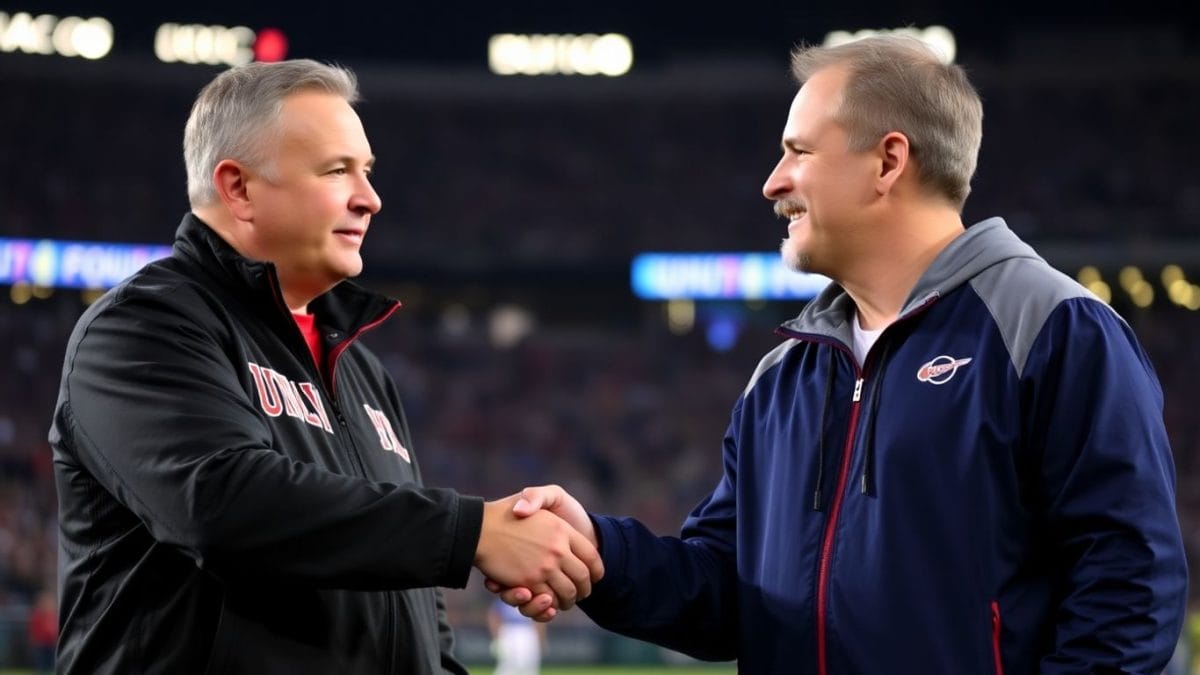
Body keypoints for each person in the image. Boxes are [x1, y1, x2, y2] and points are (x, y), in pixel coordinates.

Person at [492, 35, 1188, 673]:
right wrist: (602, 555)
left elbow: (1128, 593)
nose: (773, 181)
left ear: (888, 160)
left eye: (798, 151)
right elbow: (730, 592)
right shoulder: (784, 373)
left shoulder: (1055, 329)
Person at [48, 59, 601, 674]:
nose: (370, 198)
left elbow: (415, 613)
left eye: (365, 172)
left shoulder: (361, 368)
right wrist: (471, 532)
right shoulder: (142, 327)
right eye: (337, 171)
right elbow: (221, 506)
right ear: (238, 188)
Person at [487, 597, 546, 675]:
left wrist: (541, 638)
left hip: (528, 630)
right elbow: (493, 617)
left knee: (530, 663)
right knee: (509, 663)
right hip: (508, 630)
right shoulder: (505, 599)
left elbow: (539, 620)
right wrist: (496, 637)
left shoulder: (531, 599)